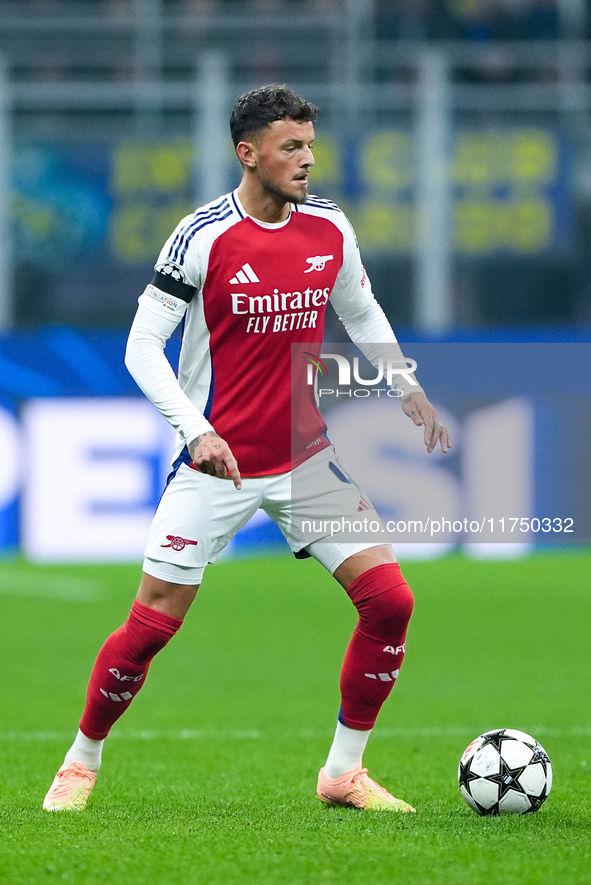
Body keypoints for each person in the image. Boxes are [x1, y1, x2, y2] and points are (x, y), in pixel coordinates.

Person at [43, 84, 451, 814]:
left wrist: (405, 387)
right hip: (216, 465)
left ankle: (342, 772)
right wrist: (194, 431)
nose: (306, 160)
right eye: (290, 147)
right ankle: (81, 759)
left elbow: (360, 308)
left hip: (304, 458)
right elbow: (141, 347)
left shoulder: (329, 226)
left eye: (310, 146)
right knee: (149, 628)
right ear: (248, 153)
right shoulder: (201, 236)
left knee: (390, 602)